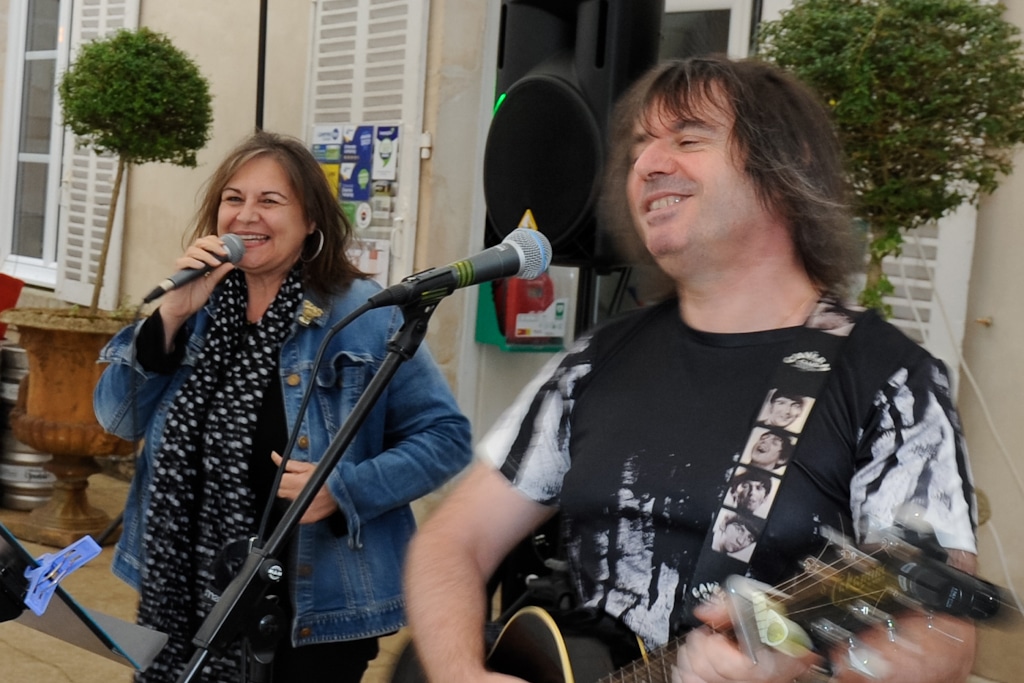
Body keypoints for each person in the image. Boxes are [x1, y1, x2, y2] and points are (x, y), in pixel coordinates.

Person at [403, 56, 980, 683]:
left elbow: (942, 638)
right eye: (641, 146)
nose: (648, 164)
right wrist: (461, 670)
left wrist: (807, 660)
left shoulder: (889, 379)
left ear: (786, 167)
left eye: (688, 139)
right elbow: (452, 541)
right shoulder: (594, 361)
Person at [93, 131, 472, 683]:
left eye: (270, 201)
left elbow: (445, 437)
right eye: (233, 198)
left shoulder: (363, 315)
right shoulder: (196, 305)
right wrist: (169, 318)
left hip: (310, 610)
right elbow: (117, 419)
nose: (247, 215)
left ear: (312, 220)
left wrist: (344, 489)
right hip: (181, 597)